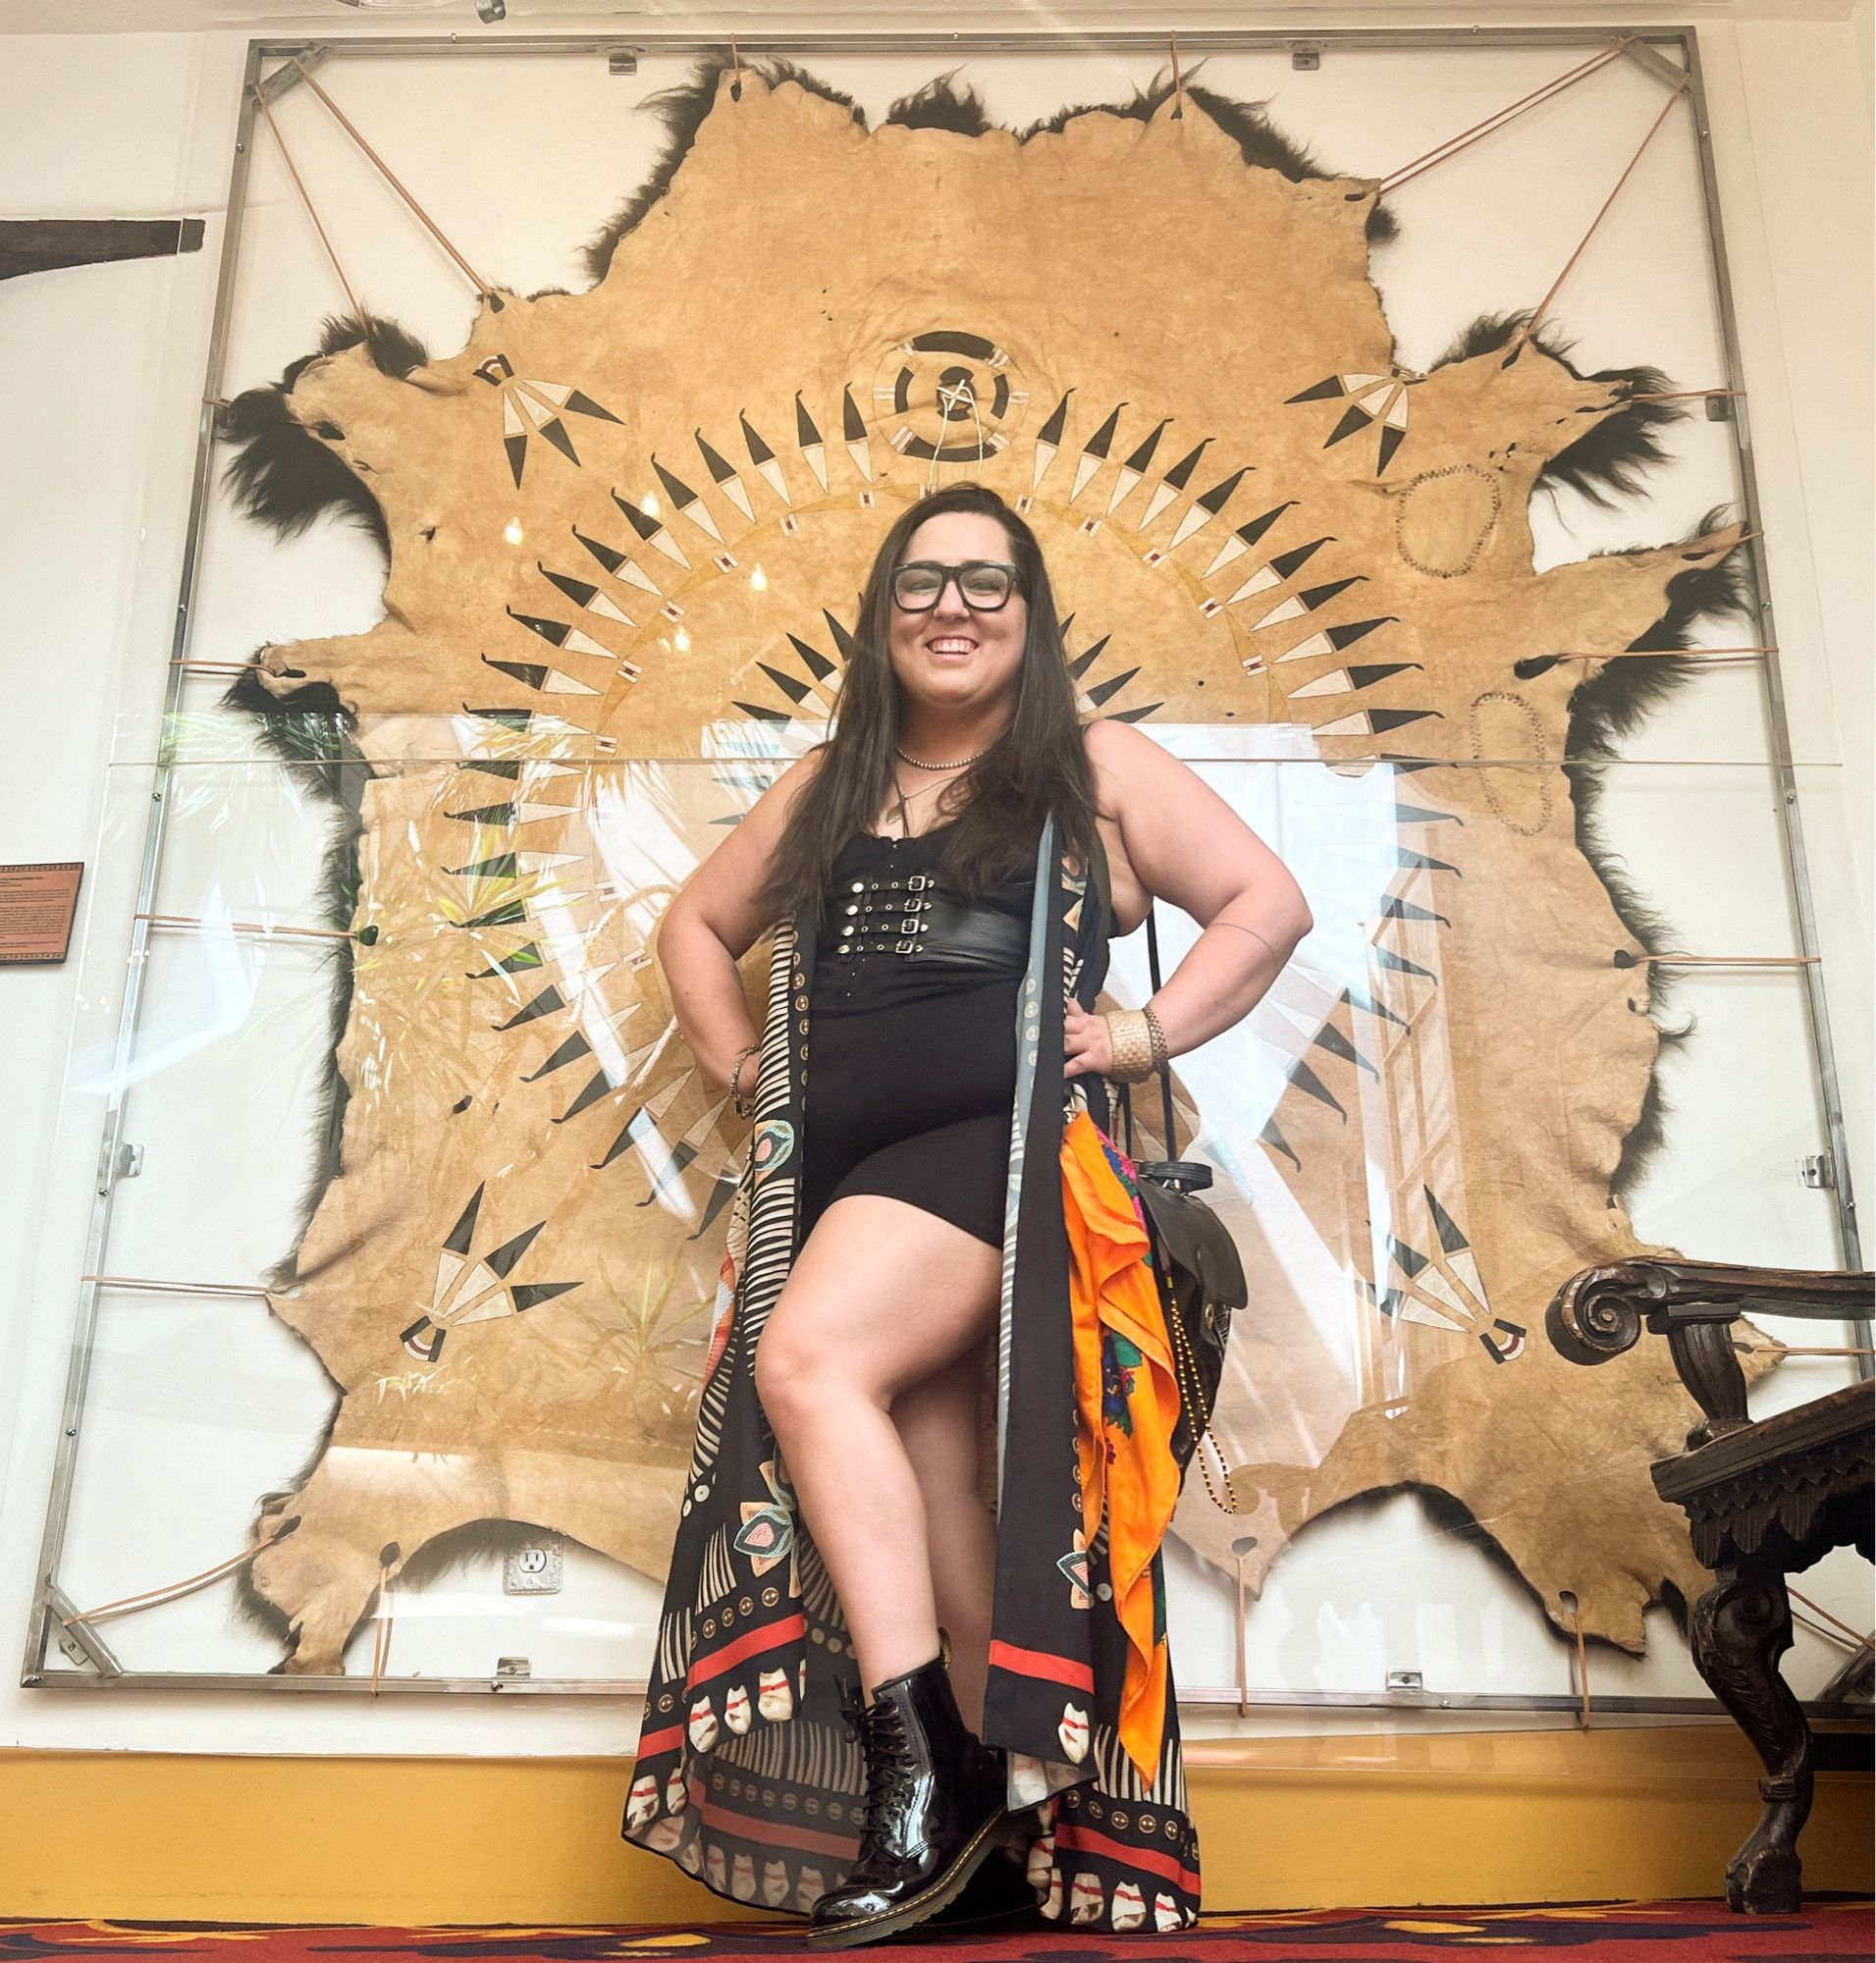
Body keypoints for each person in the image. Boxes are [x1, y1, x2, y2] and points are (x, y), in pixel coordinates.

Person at [622, 482, 1311, 1945]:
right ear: (882, 618)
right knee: (946, 1508)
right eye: (923, 583)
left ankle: (914, 1749)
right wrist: (741, 1064)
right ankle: (1004, 1818)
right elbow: (692, 924)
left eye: (988, 585)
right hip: (848, 1184)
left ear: (1032, 616)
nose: (953, 607)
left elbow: (1266, 902)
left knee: (805, 1366)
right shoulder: (826, 781)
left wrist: (1139, 1038)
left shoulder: (1093, 765)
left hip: (997, 1157)